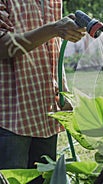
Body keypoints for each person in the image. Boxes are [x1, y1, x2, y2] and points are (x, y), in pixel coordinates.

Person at [0, 0, 85, 183]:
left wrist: (62, 90)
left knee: (44, 180)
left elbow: (51, 48)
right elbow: (2, 46)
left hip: (45, 111)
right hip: (10, 116)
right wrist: (54, 28)